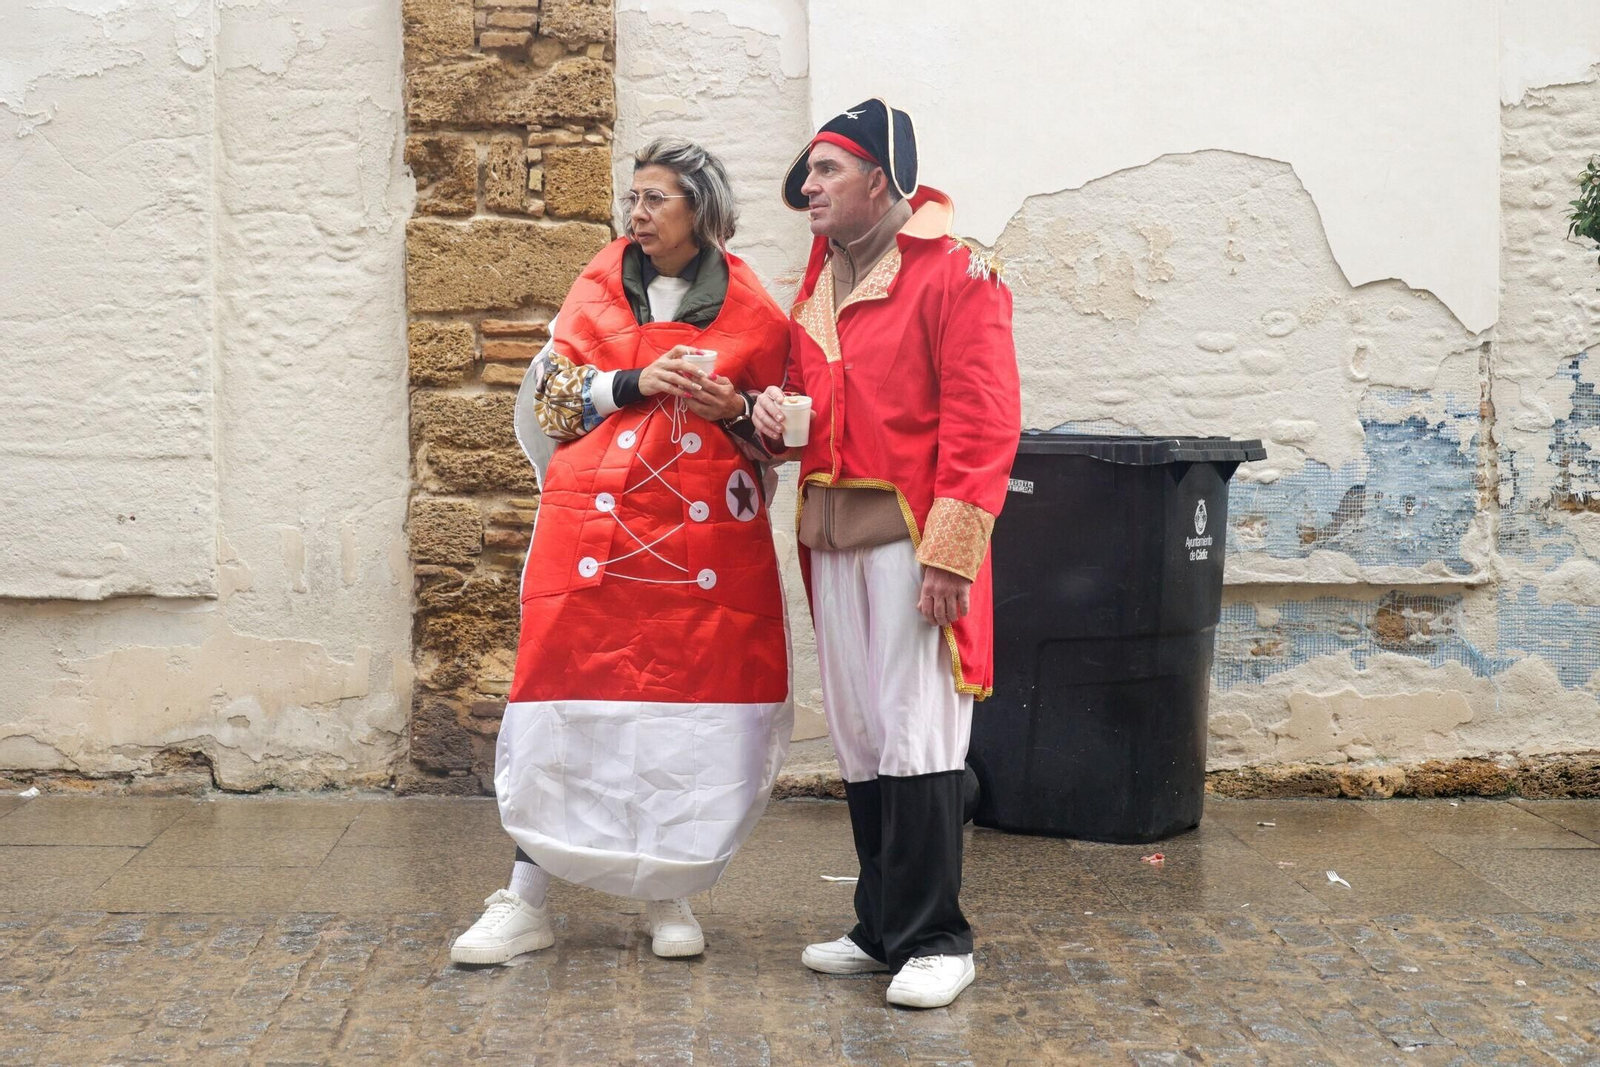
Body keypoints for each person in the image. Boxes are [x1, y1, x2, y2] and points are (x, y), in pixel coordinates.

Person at [451, 137, 792, 966]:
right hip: (592, 544)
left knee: (681, 721)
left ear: (699, 210)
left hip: (700, 550)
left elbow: (779, 433)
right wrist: (636, 382)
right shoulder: (596, 287)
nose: (635, 213)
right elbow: (551, 400)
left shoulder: (756, 311)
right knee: (563, 709)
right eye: (632, 197)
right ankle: (525, 897)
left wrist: (733, 405)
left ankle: (667, 891)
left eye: (654, 198)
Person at [751, 100, 1022, 1009]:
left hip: (912, 543)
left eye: (826, 170)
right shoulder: (820, 276)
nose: (809, 187)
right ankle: (882, 925)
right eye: (810, 173)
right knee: (863, 737)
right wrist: (773, 416)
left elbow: (984, 422)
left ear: (881, 178)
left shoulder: (959, 274)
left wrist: (951, 555)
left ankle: (938, 937)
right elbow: (805, 396)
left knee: (918, 734)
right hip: (832, 543)